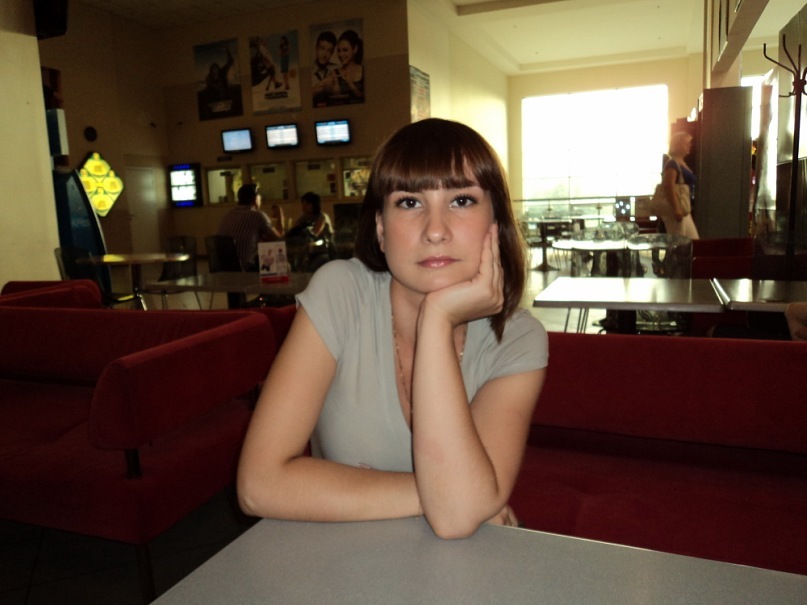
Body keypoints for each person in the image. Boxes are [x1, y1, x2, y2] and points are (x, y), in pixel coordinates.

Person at [237, 118, 548, 539]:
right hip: (342, 555)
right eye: (409, 202)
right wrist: (449, 494)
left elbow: (455, 521)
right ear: (381, 230)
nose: (435, 230)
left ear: (496, 223)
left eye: (461, 200)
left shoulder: (517, 339)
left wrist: (436, 318)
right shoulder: (341, 292)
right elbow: (258, 486)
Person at [217, 184, 283, 271]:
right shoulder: (257, 215)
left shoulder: (227, 214)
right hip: (245, 267)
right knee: (281, 263)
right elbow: (279, 239)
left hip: (223, 268)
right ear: (255, 198)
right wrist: (279, 214)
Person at [659, 131, 699, 239]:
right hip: (677, 209)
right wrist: (676, 209)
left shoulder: (680, 163)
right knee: (679, 241)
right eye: (687, 143)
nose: (689, 146)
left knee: (689, 240)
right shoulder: (673, 164)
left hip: (683, 208)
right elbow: (669, 186)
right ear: (678, 145)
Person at [285, 191, 335, 271]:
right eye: (303, 204)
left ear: (314, 204)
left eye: (307, 204)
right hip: (310, 253)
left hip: (325, 252)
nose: (304, 206)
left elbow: (315, 233)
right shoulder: (304, 218)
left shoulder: (322, 217)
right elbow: (294, 230)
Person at [332, 29, 364, 103]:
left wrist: (350, 83)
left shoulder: (364, 71)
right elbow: (337, 102)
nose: (341, 54)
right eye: (339, 51)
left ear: (355, 49)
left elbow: (363, 98)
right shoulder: (335, 73)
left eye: (345, 50)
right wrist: (335, 84)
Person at [311, 31, 338, 107]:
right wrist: (323, 83)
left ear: (332, 53)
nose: (325, 54)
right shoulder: (307, 73)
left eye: (329, 51)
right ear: (316, 48)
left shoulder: (336, 69)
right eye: (322, 48)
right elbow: (304, 99)